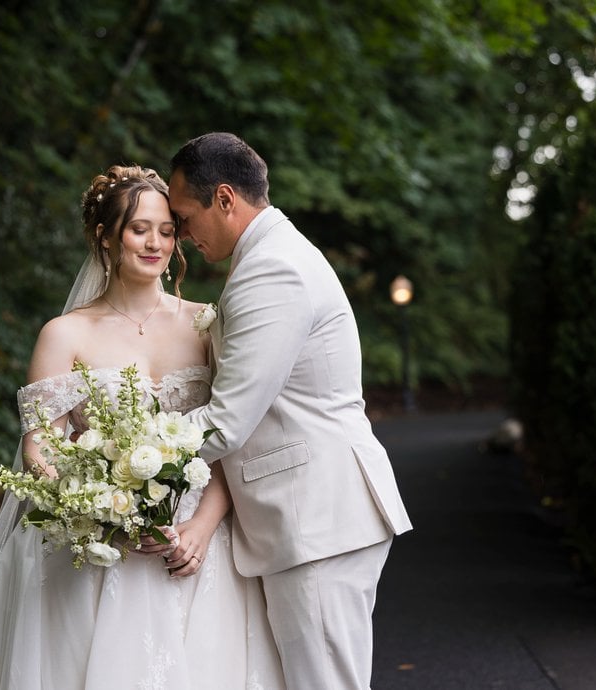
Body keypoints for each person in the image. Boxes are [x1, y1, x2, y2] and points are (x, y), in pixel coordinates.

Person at [0, 165, 284, 689]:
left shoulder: (208, 323)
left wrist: (202, 529)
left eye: (167, 230)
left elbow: (233, 437)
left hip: (197, 540)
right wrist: (105, 517)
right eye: (140, 229)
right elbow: (40, 448)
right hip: (98, 545)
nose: (156, 243)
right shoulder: (64, 334)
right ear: (106, 236)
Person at [167, 132, 414, 689]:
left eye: (184, 218)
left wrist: (125, 450)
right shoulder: (271, 257)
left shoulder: (273, 270)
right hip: (312, 516)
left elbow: (227, 421)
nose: (181, 236)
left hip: (317, 517)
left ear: (225, 199)